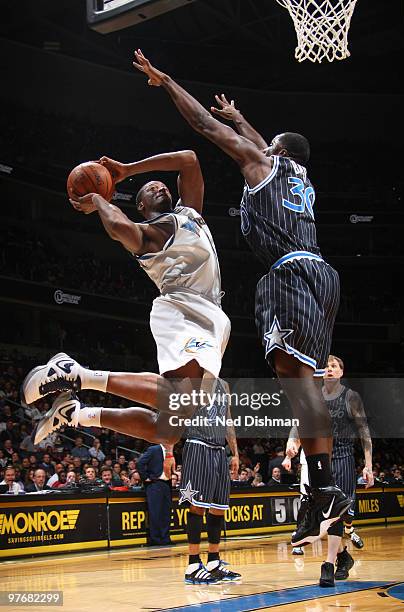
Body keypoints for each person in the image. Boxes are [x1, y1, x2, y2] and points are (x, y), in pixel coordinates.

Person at [130, 49, 352, 546]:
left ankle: (326, 487)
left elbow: (207, 128)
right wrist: (247, 120)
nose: (257, 145)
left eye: (265, 144)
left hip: (289, 272)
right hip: (322, 274)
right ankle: (325, 487)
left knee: (297, 383)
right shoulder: (300, 177)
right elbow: (263, 147)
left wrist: (166, 80)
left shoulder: (265, 164)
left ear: (275, 152)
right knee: (303, 382)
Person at [24, 148, 230, 449]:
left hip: (210, 314)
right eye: (149, 189)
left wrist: (128, 169)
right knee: (182, 397)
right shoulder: (151, 235)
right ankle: (76, 374)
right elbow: (120, 228)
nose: (158, 185)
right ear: (142, 205)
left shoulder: (189, 213)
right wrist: (98, 199)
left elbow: (189, 159)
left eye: (161, 184)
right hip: (184, 308)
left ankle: (76, 415)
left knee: (167, 430)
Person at [283, 354, 374, 586]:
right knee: (324, 513)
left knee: (336, 514)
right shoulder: (313, 395)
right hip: (320, 459)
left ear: (341, 372)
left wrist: (369, 465)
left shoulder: (350, 397)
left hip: (342, 456)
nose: (330, 369)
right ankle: (343, 557)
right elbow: (299, 422)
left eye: (334, 366)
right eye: (326, 366)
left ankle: (328, 564)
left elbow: (364, 430)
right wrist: (292, 443)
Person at [179, 378, 241, 584]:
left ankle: (213, 561)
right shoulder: (192, 380)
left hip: (218, 451)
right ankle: (193, 564)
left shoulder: (224, 385)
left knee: (219, 507)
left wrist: (235, 453)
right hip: (198, 445)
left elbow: (228, 420)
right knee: (197, 506)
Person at [137, 443, 173, 546]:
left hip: (167, 484)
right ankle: (155, 539)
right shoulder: (154, 449)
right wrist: (145, 477)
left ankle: (165, 538)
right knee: (155, 513)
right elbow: (140, 463)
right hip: (154, 483)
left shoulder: (170, 451)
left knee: (166, 513)